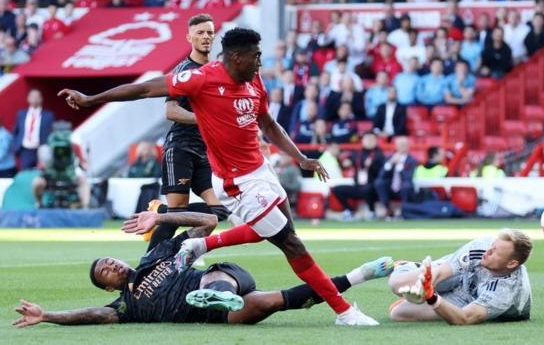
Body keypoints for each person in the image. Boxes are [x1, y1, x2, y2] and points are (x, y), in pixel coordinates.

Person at [58, 27, 378, 326]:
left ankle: (201, 246)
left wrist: (301, 158)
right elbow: (144, 89)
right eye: (256, 56)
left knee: (283, 233)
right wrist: (91, 99)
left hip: (261, 172)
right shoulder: (200, 79)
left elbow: (268, 124)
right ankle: (344, 311)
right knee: (292, 245)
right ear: (237, 57)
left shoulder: (255, 81)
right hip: (235, 184)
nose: (260, 62)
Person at [13, 211, 394, 327]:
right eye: (105, 272)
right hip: (213, 317)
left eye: (110, 260)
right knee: (267, 304)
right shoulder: (124, 306)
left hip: (224, 275)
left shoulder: (158, 253)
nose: (111, 265)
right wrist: (48, 316)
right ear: (108, 287)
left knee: (213, 278)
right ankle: (361, 274)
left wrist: (163, 216)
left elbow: (207, 222)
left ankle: (221, 294)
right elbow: (92, 314)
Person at [150, 14, 231, 249]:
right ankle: (144, 270)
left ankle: (162, 213)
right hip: (180, 148)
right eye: (200, 33)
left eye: (209, 32)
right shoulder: (184, 71)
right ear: (189, 37)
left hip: (204, 152)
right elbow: (171, 111)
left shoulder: (217, 71)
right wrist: (205, 119)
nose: (205, 37)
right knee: (174, 218)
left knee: (220, 211)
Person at [388, 229, 533, 325]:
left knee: (398, 314)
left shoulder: (506, 290)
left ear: (512, 263)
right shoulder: (483, 245)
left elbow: (464, 318)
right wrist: (423, 287)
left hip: (468, 301)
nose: (487, 251)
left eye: (495, 252)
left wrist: (430, 296)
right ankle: (407, 266)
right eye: (492, 246)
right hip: (462, 274)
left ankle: (428, 292)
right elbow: (441, 273)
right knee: (396, 283)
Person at [332, 131, 385, 221]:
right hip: (358, 185)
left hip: (373, 187)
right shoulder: (357, 154)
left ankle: (372, 212)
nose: (369, 141)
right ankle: (349, 210)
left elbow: (381, 171)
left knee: (367, 189)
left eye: (371, 139)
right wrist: (339, 159)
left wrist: (371, 165)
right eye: (367, 138)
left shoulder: (379, 154)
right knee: (337, 189)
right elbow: (345, 164)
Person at [374, 136, 416, 220]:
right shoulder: (389, 158)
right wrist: (390, 163)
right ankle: (388, 210)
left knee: (407, 186)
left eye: (404, 145)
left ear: (408, 146)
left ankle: (405, 211)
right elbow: (381, 175)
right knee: (379, 183)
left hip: (403, 187)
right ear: (396, 146)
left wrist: (400, 165)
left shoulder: (411, 160)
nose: (402, 147)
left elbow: (408, 177)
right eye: (400, 145)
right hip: (390, 186)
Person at [12, 89, 54, 170]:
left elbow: (52, 133)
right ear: (28, 98)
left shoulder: (48, 115)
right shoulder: (21, 114)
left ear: (41, 99)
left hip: (42, 149)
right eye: (32, 96)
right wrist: (16, 145)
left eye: (37, 96)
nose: (34, 99)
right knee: (25, 174)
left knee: (43, 174)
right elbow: (16, 131)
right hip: (26, 150)